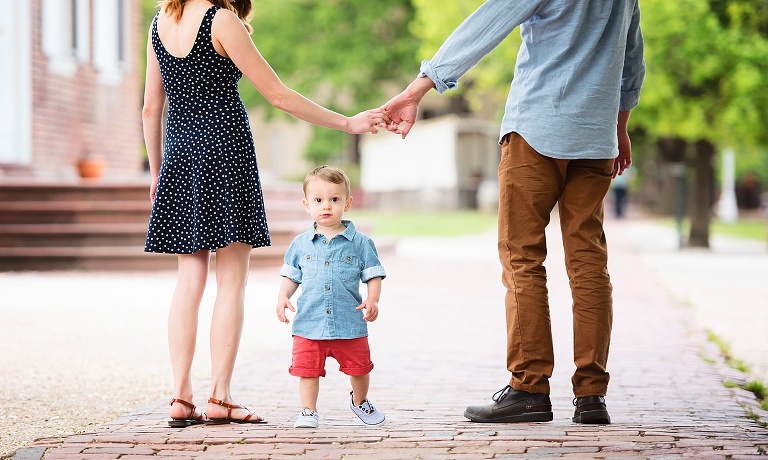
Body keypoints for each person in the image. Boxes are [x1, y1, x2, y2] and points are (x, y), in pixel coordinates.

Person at [382, 0, 645, 424]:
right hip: (595, 137)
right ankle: (592, 395)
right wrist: (620, 125)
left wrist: (417, 89)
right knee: (589, 263)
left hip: (537, 128)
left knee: (523, 258)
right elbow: (633, 56)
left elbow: (486, 24)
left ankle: (529, 388)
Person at [142, 0, 388, 427]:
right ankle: (220, 396)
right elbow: (277, 94)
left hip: (179, 157)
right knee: (231, 280)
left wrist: (157, 170)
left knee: (189, 280)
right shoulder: (221, 20)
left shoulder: (160, 22)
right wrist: (348, 123)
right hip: (225, 152)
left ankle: (180, 397)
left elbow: (150, 108)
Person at [276, 166, 386, 429]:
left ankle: (360, 401)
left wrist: (373, 299)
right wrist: (282, 296)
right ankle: (308, 411)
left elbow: (373, 275)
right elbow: (291, 276)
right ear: (306, 204)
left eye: (334, 199)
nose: (326, 206)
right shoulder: (301, 244)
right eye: (318, 200)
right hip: (309, 323)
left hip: (349, 322)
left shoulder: (361, 243)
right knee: (307, 370)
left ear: (347, 203)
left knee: (360, 368)